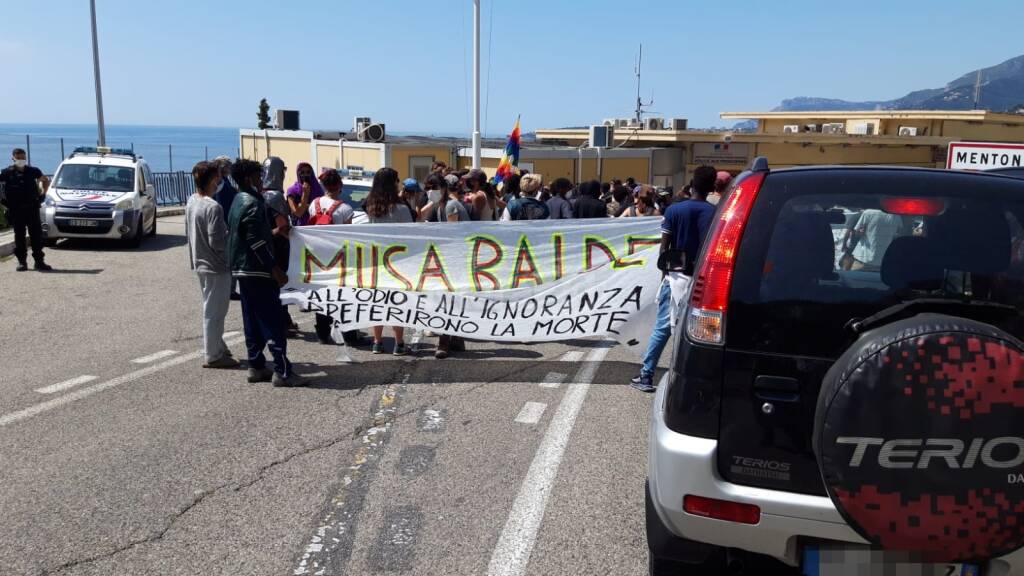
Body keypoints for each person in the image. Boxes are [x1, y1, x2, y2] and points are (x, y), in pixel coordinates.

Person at [631, 165, 718, 393]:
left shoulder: (674, 211)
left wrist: (664, 276)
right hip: (704, 280)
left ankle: (647, 375)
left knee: (663, 327)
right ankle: (699, 380)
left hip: (676, 275)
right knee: (703, 330)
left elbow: (664, 248)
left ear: (691, 185)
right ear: (711, 187)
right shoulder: (715, 213)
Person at [226, 159, 305, 388]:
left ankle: (256, 365)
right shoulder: (252, 203)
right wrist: (274, 268)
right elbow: (255, 241)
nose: (262, 181)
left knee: (251, 318)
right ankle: (282, 370)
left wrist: (274, 231)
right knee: (272, 319)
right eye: (259, 177)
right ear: (250, 179)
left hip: (242, 269)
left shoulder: (237, 200)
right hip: (258, 270)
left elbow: (250, 234)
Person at [186, 162, 239, 369]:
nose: (220, 182)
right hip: (216, 266)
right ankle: (214, 354)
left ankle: (218, 345)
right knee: (215, 312)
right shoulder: (213, 207)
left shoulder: (192, 201)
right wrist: (231, 243)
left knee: (211, 308)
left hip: (200, 262)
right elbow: (218, 242)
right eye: (218, 178)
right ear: (212, 180)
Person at [363, 167, 414, 355]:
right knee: (397, 303)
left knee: (378, 302)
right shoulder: (401, 209)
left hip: (376, 262)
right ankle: (399, 343)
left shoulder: (370, 207)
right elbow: (411, 234)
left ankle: (377, 341)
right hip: (399, 262)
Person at [309, 170, 355, 344]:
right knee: (343, 295)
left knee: (322, 294)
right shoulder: (345, 209)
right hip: (338, 256)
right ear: (340, 186)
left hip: (318, 255)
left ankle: (322, 332)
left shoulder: (314, 203)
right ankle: (348, 332)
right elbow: (348, 236)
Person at [0, 148, 51, 271]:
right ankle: (22, 262)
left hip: (32, 208)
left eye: (22, 157)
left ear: (26, 157)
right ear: (13, 158)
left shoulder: (33, 171)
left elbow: (45, 180)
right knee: (19, 236)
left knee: (36, 236)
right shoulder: (7, 172)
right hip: (16, 209)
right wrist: (3, 202)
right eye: (18, 157)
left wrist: (43, 194)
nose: (20, 160)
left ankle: (39, 261)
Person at [263, 157, 298, 333]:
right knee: (279, 284)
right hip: (278, 246)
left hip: (266, 246)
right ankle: (282, 321)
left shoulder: (258, 193)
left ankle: (283, 320)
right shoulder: (275, 197)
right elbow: (283, 225)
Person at [285, 162, 323, 227]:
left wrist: (303, 205)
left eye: (308, 172)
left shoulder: (318, 189)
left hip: (317, 227)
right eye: (302, 173)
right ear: (298, 174)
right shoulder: (292, 191)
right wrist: (305, 194)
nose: (305, 175)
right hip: (300, 229)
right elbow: (298, 213)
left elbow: (323, 208)